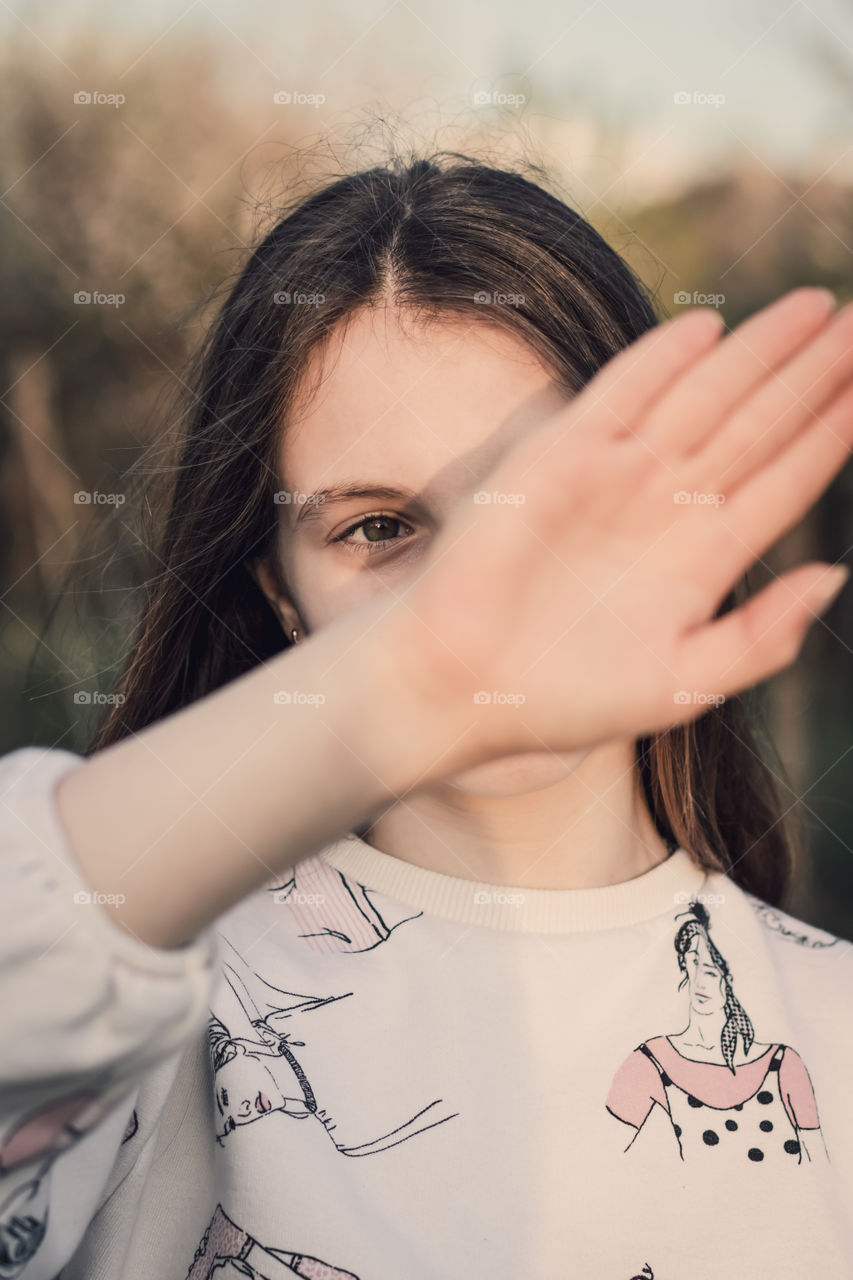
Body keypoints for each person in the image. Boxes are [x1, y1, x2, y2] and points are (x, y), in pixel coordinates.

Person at [1, 152, 853, 1280]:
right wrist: (410, 685)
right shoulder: (149, 1016)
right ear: (280, 594)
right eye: (378, 526)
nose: (479, 589)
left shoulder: (831, 1026)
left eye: (535, 498)